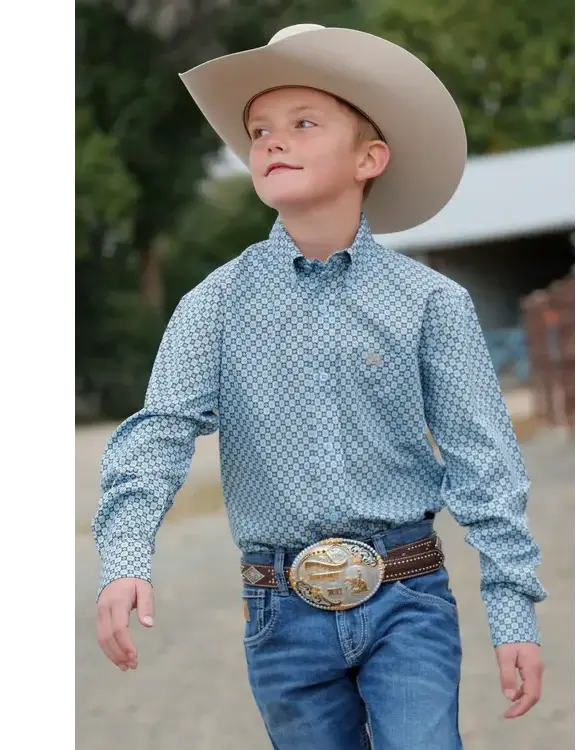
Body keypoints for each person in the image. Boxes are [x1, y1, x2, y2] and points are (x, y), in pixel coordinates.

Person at [91, 23, 547, 750]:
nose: (272, 141)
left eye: (303, 123)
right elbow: (158, 434)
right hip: (279, 611)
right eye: (259, 130)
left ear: (370, 156)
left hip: (408, 596)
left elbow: (485, 465)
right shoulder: (215, 302)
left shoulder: (431, 303)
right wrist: (123, 562)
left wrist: (513, 613)